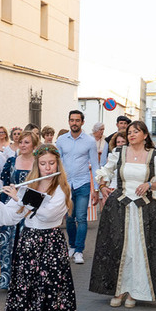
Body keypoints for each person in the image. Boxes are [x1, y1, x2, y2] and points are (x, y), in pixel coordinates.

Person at [0, 144, 76, 311]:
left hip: (50, 245)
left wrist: (21, 198)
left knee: (46, 296)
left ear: (58, 164)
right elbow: (12, 216)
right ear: (37, 165)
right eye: (43, 164)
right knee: (25, 292)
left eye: (51, 163)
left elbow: (47, 216)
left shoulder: (61, 189)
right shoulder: (30, 185)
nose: (47, 168)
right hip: (29, 244)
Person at [90, 121, 156, 308]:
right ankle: (119, 289)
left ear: (145, 135)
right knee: (118, 247)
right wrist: (102, 187)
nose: (131, 135)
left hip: (146, 208)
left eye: (136, 131)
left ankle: (136, 291)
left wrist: (150, 184)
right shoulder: (118, 152)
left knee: (139, 250)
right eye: (130, 132)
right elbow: (104, 172)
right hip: (120, 206)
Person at [0, 128, 39, 289]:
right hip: (12, 207)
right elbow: (5, 183)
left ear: (34, 144)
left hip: (29, 207)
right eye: (21, 142)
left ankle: (26, 281)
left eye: (26, 142)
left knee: (26, 245)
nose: (22, 145)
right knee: (8, 243)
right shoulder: (11, 161)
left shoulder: (38, 163)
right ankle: (8, 279)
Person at [56, 110, 100, 264]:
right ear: (68, 122)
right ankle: (72, 246)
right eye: (72, 120)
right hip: (66, 185)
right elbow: (58, 163)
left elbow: (95, 165)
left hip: (82, 183)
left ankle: (80, 251)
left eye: (77, 120)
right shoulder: (61, 140)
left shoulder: (89, 141)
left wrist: (96, 189)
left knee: (81, 218)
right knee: (69, 218)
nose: (74, 123)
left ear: (82, 122)